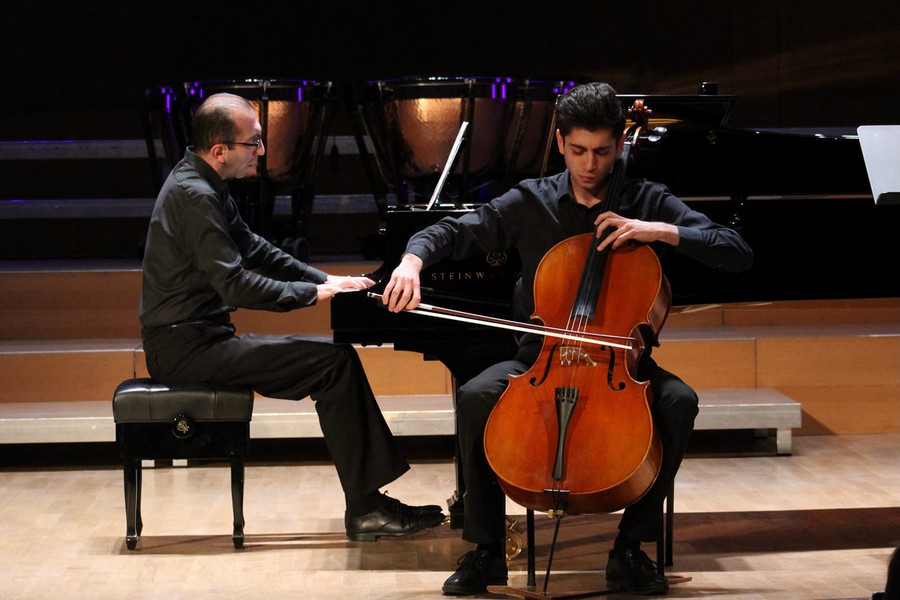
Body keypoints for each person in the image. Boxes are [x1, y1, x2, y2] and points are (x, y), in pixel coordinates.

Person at [382, 82, 754, 595]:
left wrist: (659, 230)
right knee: (475, 396)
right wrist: (411, 261)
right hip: (540, 357)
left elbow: (735, 250)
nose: (590, 164)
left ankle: (630, 549)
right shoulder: (530, 201)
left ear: (619, 145)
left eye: (602, 151)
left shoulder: (647, 199)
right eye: (578, 150)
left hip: (621, 365)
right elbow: (452, 231)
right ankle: (488, 551)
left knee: (679, 402)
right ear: (560, 142)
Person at [139, 92, 445, 543]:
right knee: (334, 364)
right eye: (253, 142)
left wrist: (327, 279)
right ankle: (366, 510)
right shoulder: (195, 194)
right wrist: (313, 294)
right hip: (186, 348)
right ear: (220, 150)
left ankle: (367, 504)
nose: (261, 151)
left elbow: (255, 248)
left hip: (198, 339)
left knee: (334, 362)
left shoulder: (203, 182)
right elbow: (235, 285)